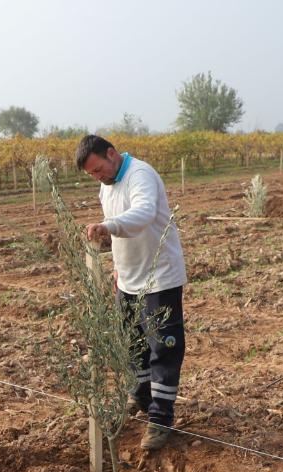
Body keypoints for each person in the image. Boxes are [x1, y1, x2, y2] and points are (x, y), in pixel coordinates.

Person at [77, 134, 187, 451]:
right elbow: (119, 229)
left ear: (111, 154)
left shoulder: (140, 174)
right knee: (131, 343)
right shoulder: (106, 185)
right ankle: (141, 396)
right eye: (91, 174)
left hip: (159, 277)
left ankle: (160, 418)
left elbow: (143, 214)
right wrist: (117, 268)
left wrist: (107, 227)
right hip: (128, 278)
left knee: (163, 348)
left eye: (99, 169)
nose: (97, 177)